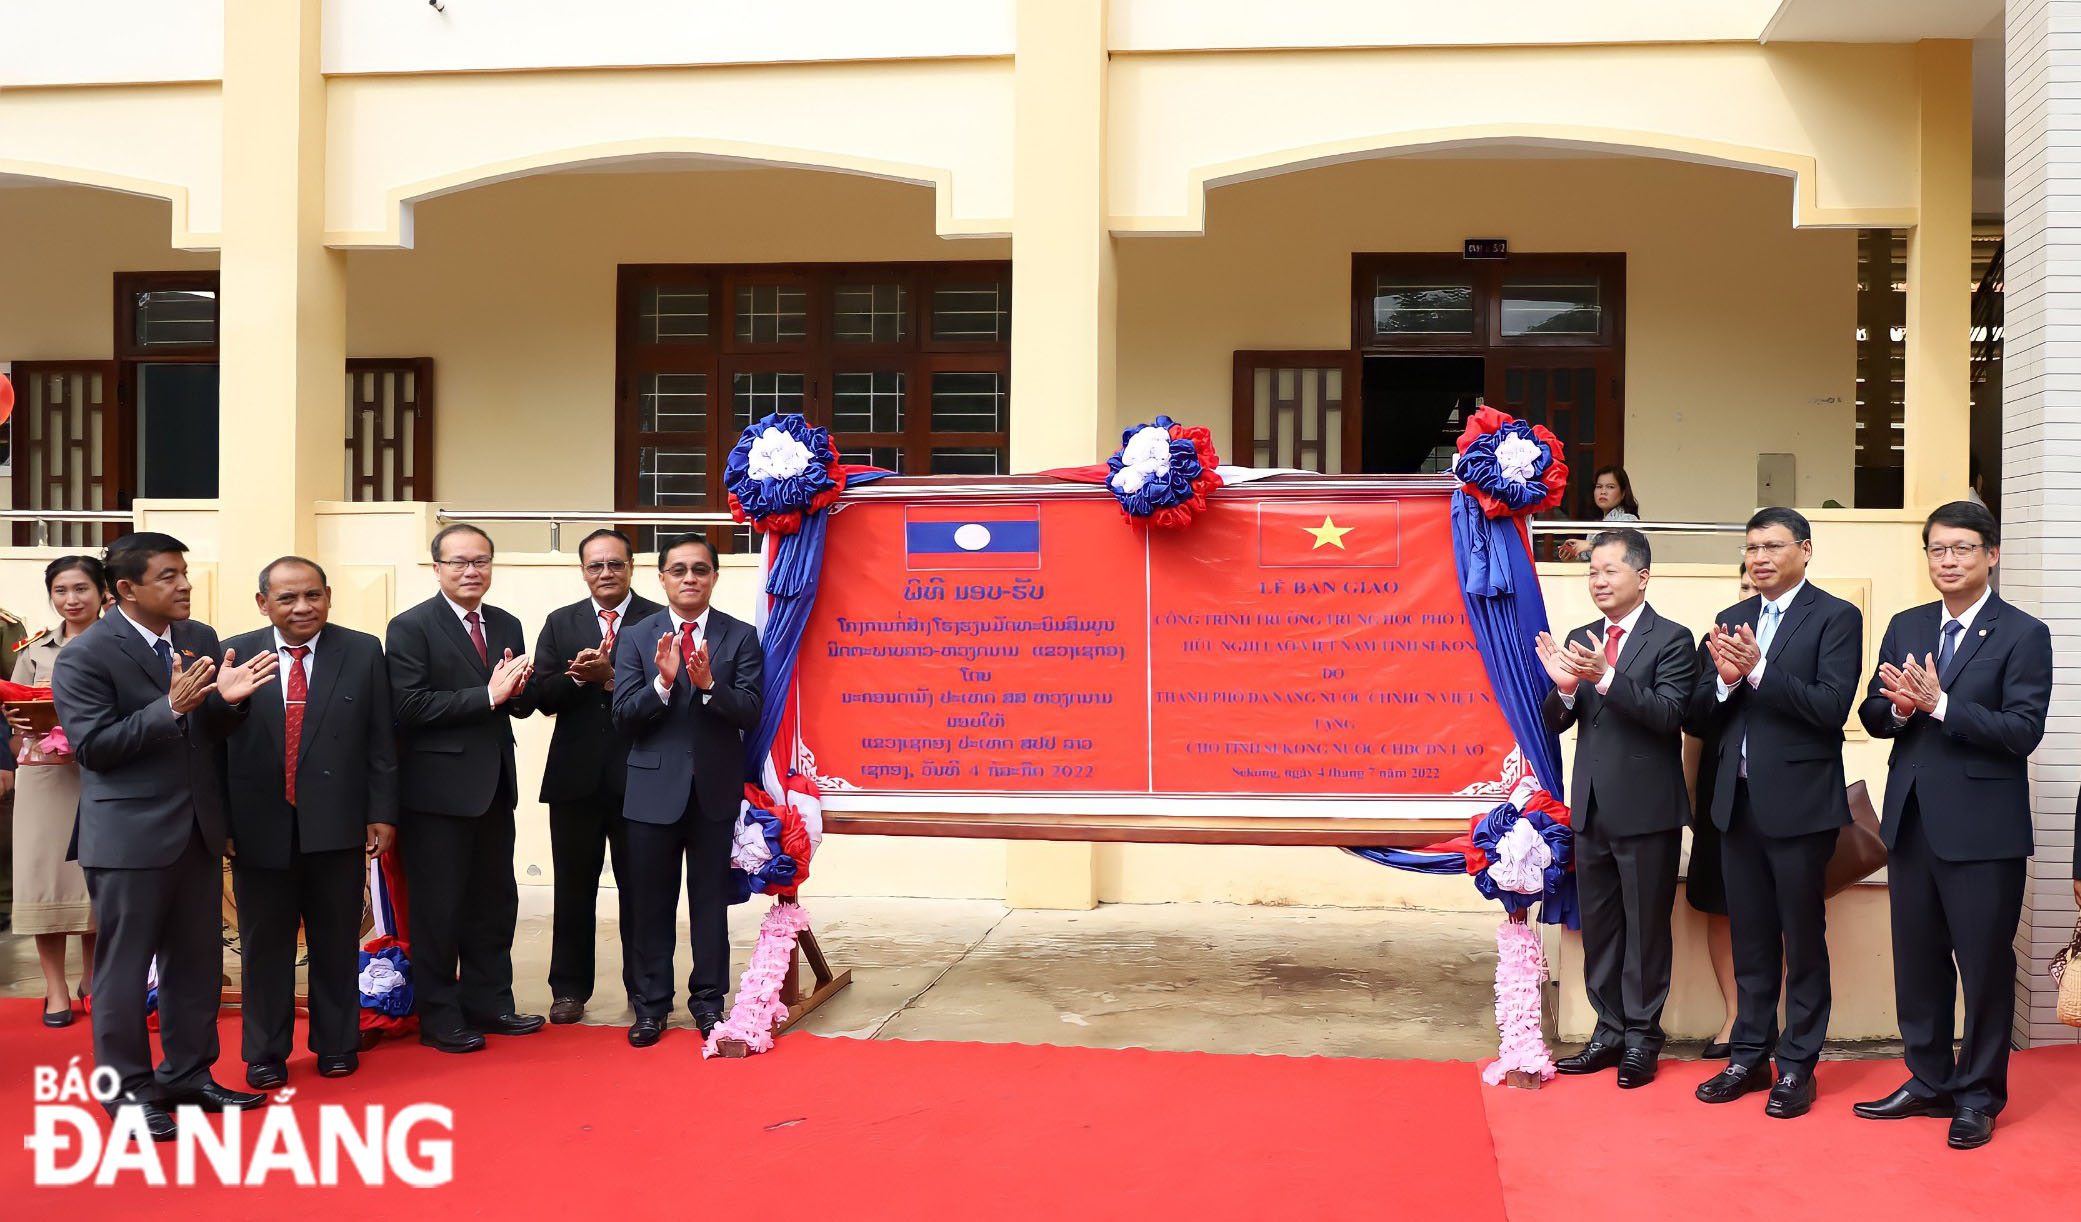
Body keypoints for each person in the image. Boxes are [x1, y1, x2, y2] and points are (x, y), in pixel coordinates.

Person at [50, 532, 279, 1140]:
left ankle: (188, 1075)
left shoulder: (200, 639)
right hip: (127, 837)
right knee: (123, 973)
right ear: (126, 589)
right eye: (169, 576)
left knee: (197, 966)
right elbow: (95, 749)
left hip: (198, 830)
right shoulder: (85, 656)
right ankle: (125, 1093)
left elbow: (209, 731)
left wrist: (227, 705)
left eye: (184, 572)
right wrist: (170, 708)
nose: (184, 585)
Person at [1852, 502, 2049, 1150]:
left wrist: (1941, 705)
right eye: (1937, 549)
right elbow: (1872, 710)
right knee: (1917, 966)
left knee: (1984, 969)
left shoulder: (2022, 634)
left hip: (1983, 833)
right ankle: (1928, 1080)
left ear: (1990, 554)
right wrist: (1902, 709)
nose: (1948, 560)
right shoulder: (1908, 624)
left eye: (1961, 548)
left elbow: (2021, 732)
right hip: (1910, 823)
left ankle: (1979, 1096)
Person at [1690, 508, 1860, 1119]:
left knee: (1802, 941)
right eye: (1751, 547)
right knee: (1751, 939)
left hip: (1800, 809)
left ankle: (1797, 1067)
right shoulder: (1732, 619)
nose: (1759, 557)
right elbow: (1699, 716)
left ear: (1805, 551)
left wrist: (1757, 670)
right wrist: (1726, 683)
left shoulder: (1836, 617)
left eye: (1772, 546)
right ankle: (1748, 1056)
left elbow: (1829, 707)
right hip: (1735, 808)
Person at [223, 557, 399, 1088]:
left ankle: (337, 1042)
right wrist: (223, 822)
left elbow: (380, 741)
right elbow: (214, 747)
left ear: (327, 595)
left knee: (336, 941)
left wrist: (382, 812)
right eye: (288, 599)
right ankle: (266, 1051)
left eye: (313, 596)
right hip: (258, 828)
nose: (303, 607)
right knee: (265, 946)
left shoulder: (363, 650)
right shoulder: (234, 652)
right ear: (263, 604)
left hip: (339, 825)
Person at [1537, 528, 1697, 1088]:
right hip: (1592, 808)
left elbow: (1669, 714)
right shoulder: (1581, 637)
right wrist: (1561, 690)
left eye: (1609, 571)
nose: (1598, 581)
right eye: (1592, 572)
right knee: (1602, 927)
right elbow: (1559, 720)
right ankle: (1608, 1031)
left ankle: (1642, 1037)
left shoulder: (1673, 640)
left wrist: (1603, 676)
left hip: (1648, 811)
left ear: (1642, 576)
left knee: (1646, 927)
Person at [386, 523, 540, 1054]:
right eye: (459, 562)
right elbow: (408, 706)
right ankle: (441, 1017)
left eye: (481, 561)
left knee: (494, 903)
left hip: (495, 787)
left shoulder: (506, 622)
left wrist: (519, 689)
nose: (471, 571)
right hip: (436, 794)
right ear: (438, 569)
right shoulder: (410, 627)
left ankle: (491, 1004)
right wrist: (488, 695)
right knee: (439, 910)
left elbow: (511, 700)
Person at [611, 534, 763, 1047]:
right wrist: (661, 684)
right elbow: (623, 717)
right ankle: (650, 1007)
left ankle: (708, 1005)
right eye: (679, 570)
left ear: (715, 577)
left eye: (700, 569)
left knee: (708, 906)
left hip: (715, 792)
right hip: (652, 792)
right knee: (650, 905)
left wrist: (709, 688)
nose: (690, 578)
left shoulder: (739, 636)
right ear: (662, 578)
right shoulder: (637, 637)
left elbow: (750, 711)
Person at [528, 528, 661, 1024]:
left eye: (615, 564)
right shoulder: (561, 622)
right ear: (582, 571)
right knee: (573, 890)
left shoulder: (657, 619)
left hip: (641, 776)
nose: (605, 573)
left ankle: (645, 990)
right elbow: (538, 696)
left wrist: (610, 677)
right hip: (574, 779)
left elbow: (669, 694)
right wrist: (574, 677)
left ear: (632, 567)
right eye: (595, 566)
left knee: (641, 889)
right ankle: (568, 990)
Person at [4, 557, 109, 1027]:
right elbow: (13, 721)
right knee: (43, 881)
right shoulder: (32, 650)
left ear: (103, 592)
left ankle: (92, 981)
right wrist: (21, 721)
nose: (72, 599)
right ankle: (55, 989)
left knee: (91, 882)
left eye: (82, 588)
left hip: (101, 773)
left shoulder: (119, 644)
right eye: (62, 590)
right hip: (44, 775)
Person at [1681, 562, 1758, 1057]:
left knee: (1779, 911)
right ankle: (1734, 1015)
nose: (1754, 593)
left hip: (1783, 796)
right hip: (1723, 795)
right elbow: (1693, 721)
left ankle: (1763, 1016)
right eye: (1747, 585)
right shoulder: (1717, 637)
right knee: (1720, 908)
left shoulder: (1808, 634)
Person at [1558, 465, 1641, 560]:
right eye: (1599, 486)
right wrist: (1572, 557)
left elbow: (1627, 549)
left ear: (1623, 493)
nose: (1603, 491)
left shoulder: (1629, 519)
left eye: (1610, 487)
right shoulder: (1597, 524)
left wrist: (1589, 545)